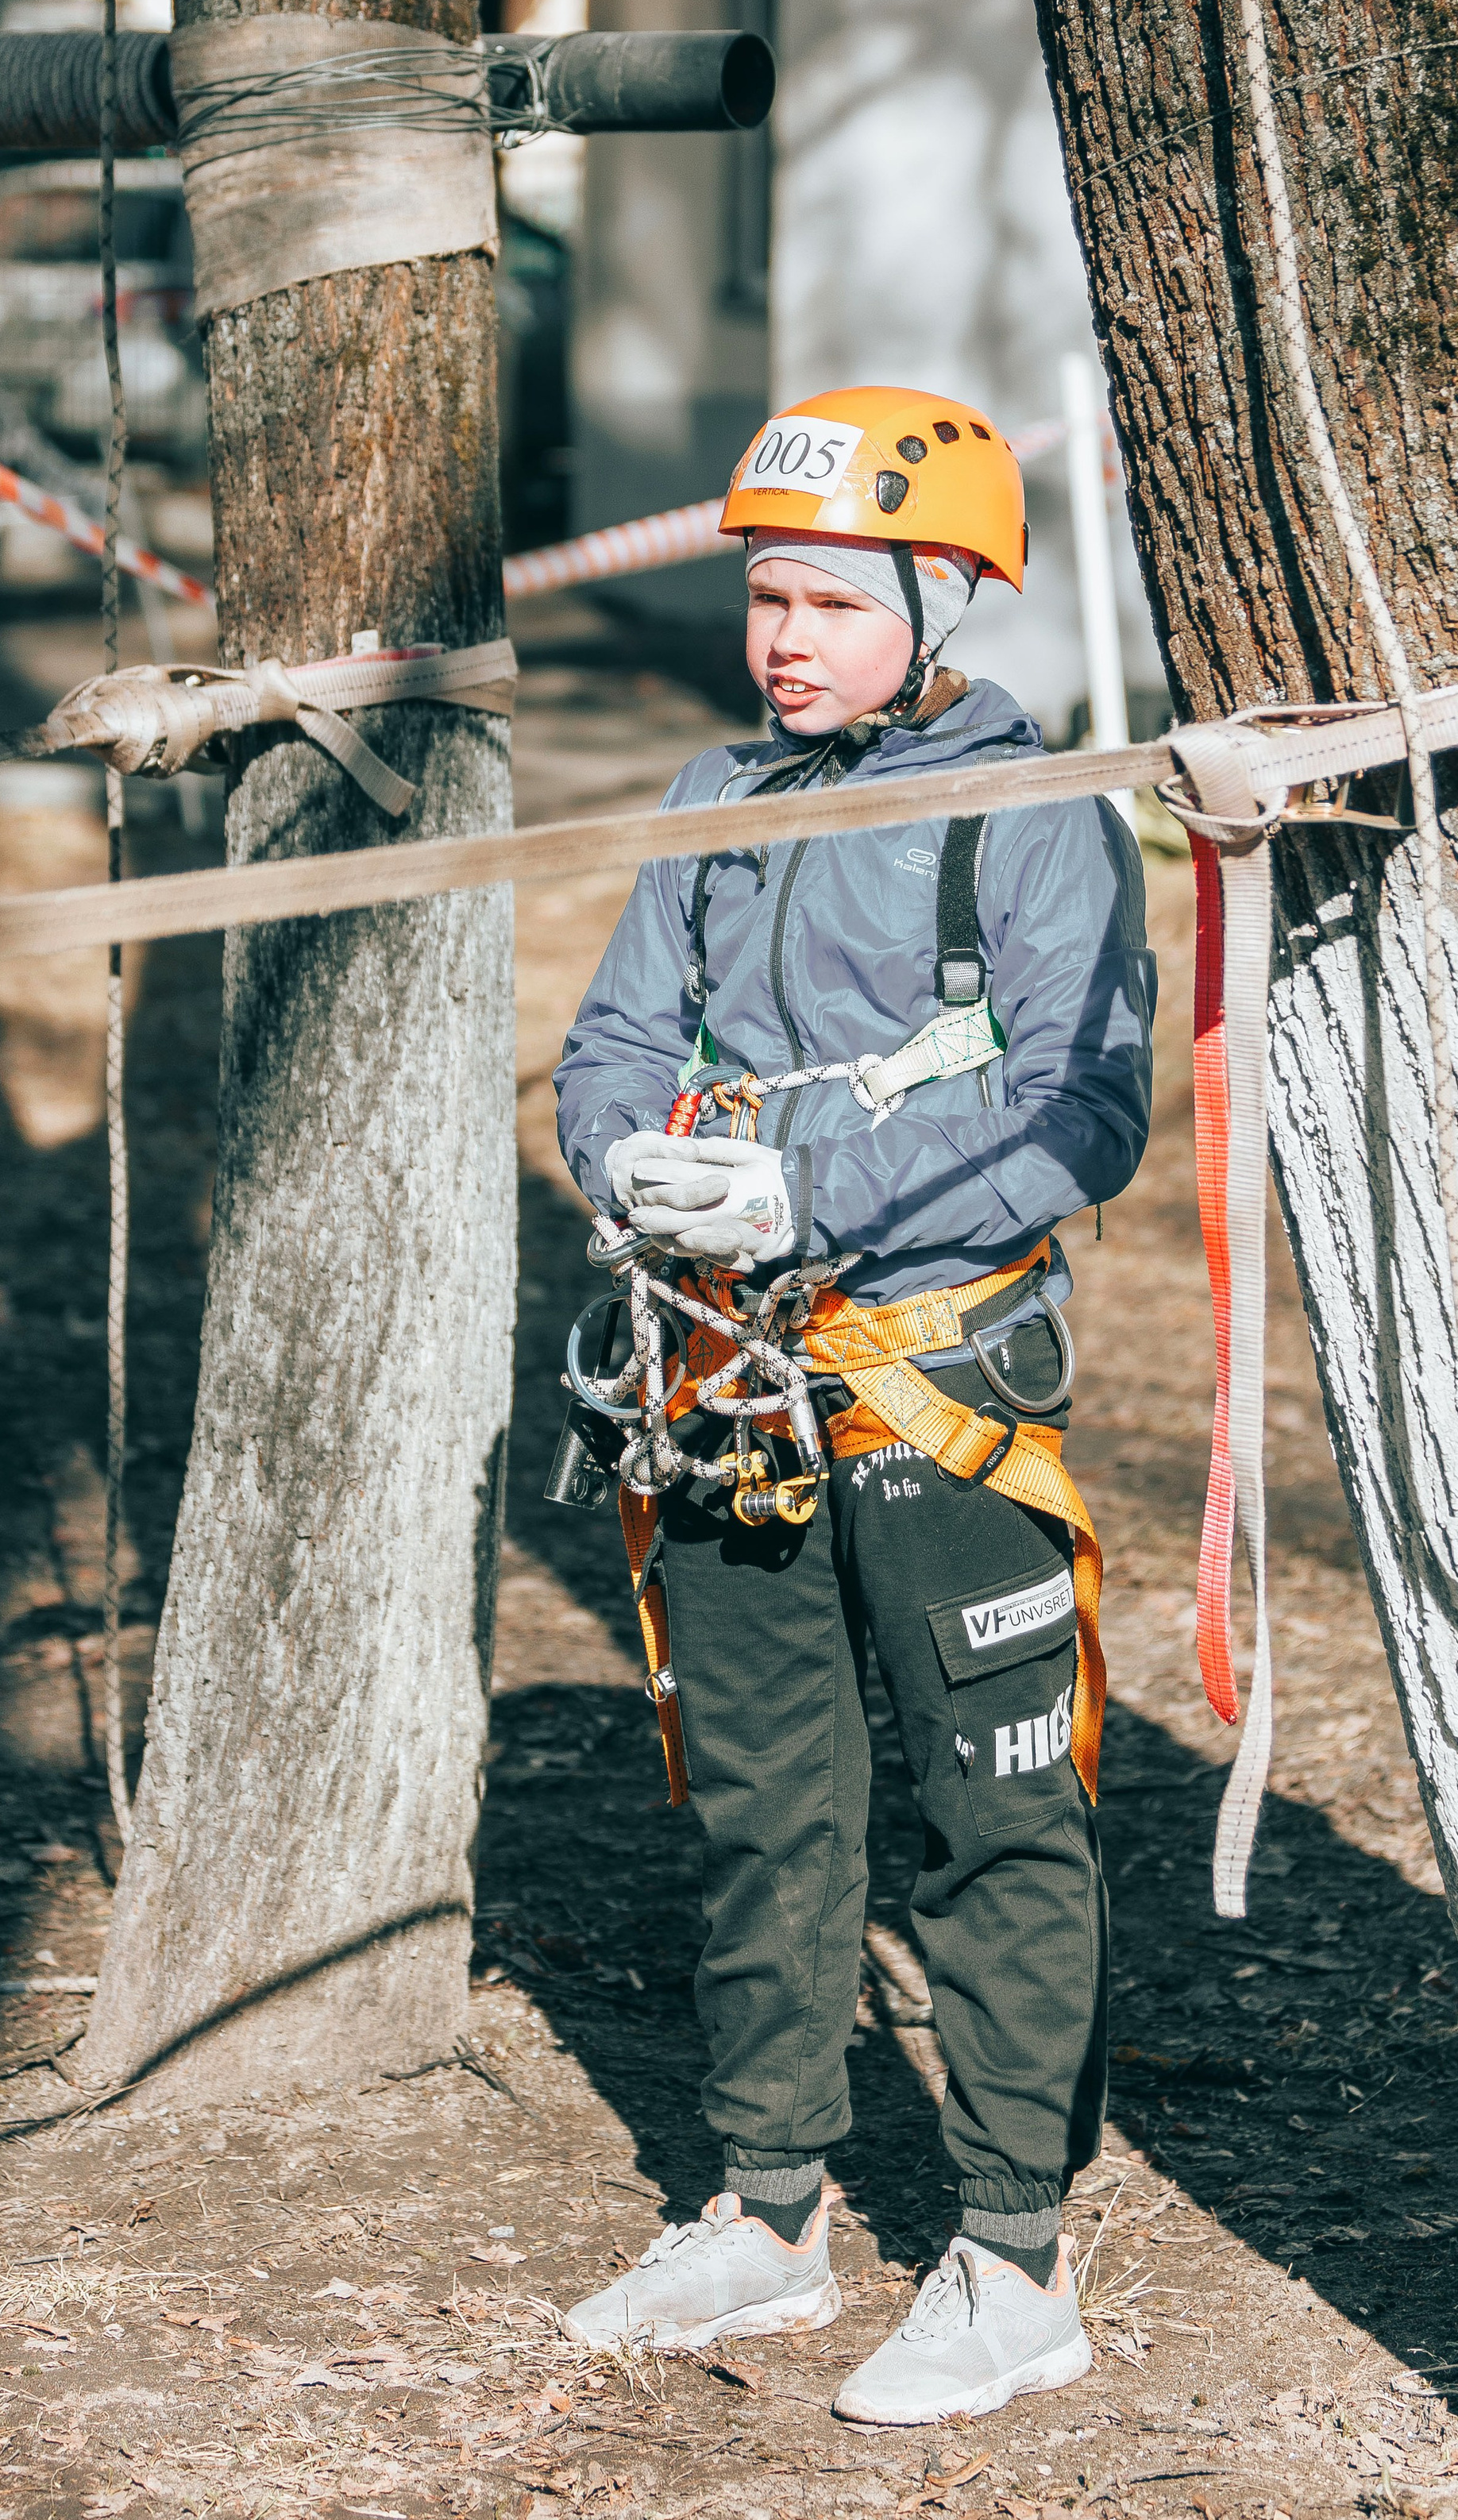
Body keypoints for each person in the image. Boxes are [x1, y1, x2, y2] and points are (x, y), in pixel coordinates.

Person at [551, 387, 1156, 2425]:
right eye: (762, 595)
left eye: (825, 597)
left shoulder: (1034, 804)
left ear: (939, 596)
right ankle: (769, 2207)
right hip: (721, 1382)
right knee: (761, 1803)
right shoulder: (715, 798)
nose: (782, 635)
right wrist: (625, 1160)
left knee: (993, 1820)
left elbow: (1085, 1105)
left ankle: (1010, 2253)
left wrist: (824, 1195)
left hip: (931, 1382)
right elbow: (612, 1041)